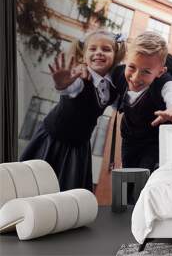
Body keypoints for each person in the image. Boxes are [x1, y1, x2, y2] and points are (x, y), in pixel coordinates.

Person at [20, 29, 126, 191]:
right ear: (84, 56)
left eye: (106, 49)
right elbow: (69, 88)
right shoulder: (79, 77)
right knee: (35, 185)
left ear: (115, 57)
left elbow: (123, 104)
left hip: (79, 146)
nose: (99, 52)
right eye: (93, 49)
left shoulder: (112, 87)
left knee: (68, 191)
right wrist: (62, 84)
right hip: (54, 140)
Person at [111, 31, 172, 173]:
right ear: (126, 60)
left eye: (146, 72)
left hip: (154, 140)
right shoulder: (118, 74)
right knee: (127, 177)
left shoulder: (165, 81)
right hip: (130, 137)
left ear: (160, 72)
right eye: (132, 67)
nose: (136, 77)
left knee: (144, 176)